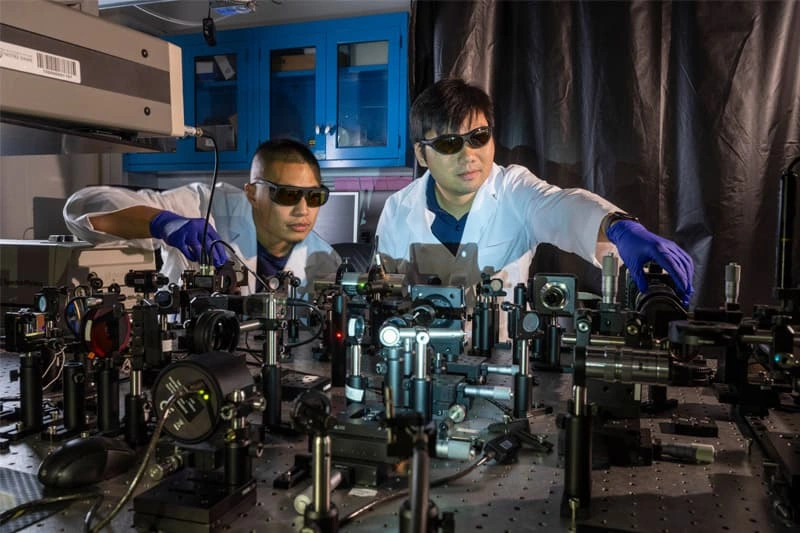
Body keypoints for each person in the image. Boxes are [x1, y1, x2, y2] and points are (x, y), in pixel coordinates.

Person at [376, 78, 693, 307]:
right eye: (448, 143)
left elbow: (562, 208)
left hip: (502, 373)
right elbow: (382, 290)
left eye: (478, 137)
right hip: (414, 369)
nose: (468, 155)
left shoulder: (513, 188)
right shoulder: (397, 209)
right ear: (421, 154)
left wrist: (619, 227)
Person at [64, 138, 341, 298]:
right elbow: (82, 207)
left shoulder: (325, 262)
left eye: (315, 197)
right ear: (252, 193)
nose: (303, 210)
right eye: (288, 195)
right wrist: (166, 224)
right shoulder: (204, 205)